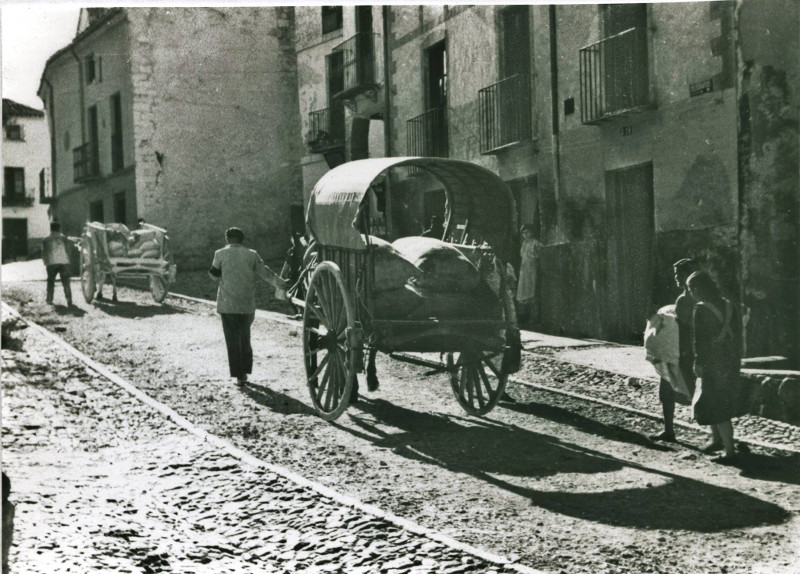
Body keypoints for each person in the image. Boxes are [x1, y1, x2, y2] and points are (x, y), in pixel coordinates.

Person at [208, 227, 285, 385]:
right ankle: (245, 372)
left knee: (232, 340)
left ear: (228, 238)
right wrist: (281, 283)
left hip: (227, 305)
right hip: (246, 305)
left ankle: (238, 375)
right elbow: (266, 273)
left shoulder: (219, 253)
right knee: (245, 337)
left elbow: (213, 276)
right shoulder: (252, 254)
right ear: (242, 240)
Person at [687, 271, 742, 464]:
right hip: (729, 360)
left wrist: (698, 363)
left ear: (698, 288)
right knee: (723, 402)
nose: (691, 292)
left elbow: (700, 342)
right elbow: (738, 336)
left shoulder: (700, 309)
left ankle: (729, 451)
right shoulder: (729, 306)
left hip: (711, 363)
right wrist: (737, 361)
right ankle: (720, 441)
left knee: (718, 405)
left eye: (691, 288)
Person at [650, 258, 698, 443]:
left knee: (668, 388)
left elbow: (680, 328)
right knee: (698, 390)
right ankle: (720, 436)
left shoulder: (684, 300)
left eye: (679, 275)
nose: (676, 278)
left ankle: (669, 430)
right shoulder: (697, 297)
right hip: (691, 350)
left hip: (680, 351)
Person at [42, 222, 75, 306]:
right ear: (59, 228)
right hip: (64, 261)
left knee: (51, 281)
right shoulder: (64, 238)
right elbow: (68, 250)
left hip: (52, 262)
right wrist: (68, 259)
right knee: (66, 282)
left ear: (51, 228)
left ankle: (49, 299)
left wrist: (45, 262)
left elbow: (44, 252)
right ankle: (69, 299)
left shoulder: (46, 239)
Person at [515, 224, 541, 325]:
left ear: (532, 232)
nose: (525, 235)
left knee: (532, 292)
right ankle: (523, 317)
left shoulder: (535, 243)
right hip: (524, 269)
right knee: (523, 292)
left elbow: (539, 255)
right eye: (524, 233)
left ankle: (533, 318)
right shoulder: (524, 243)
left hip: (532, 269)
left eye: (527, 232)